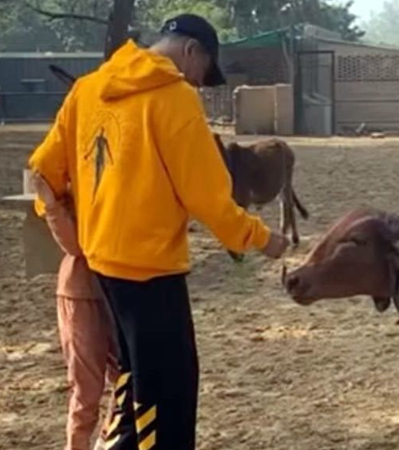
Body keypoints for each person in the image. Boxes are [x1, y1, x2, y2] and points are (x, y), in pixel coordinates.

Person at [28, 13, 289, 450]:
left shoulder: (87, 90)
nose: (201, 83)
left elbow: (42, 171)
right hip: (152, 272)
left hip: (103, 265)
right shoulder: (175, 99)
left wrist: (71, 222)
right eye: (205, 70)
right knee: (169, 394)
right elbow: (207, 197)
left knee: (136, 376)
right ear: (192, 51)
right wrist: (260, 238)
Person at [31, 173, 118, 450]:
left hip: (120, 291)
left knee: (128, 381)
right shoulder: (71, 184)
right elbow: (73, 244)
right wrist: (51, 204)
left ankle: (106, 442)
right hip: (81, 294)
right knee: (86, 390)